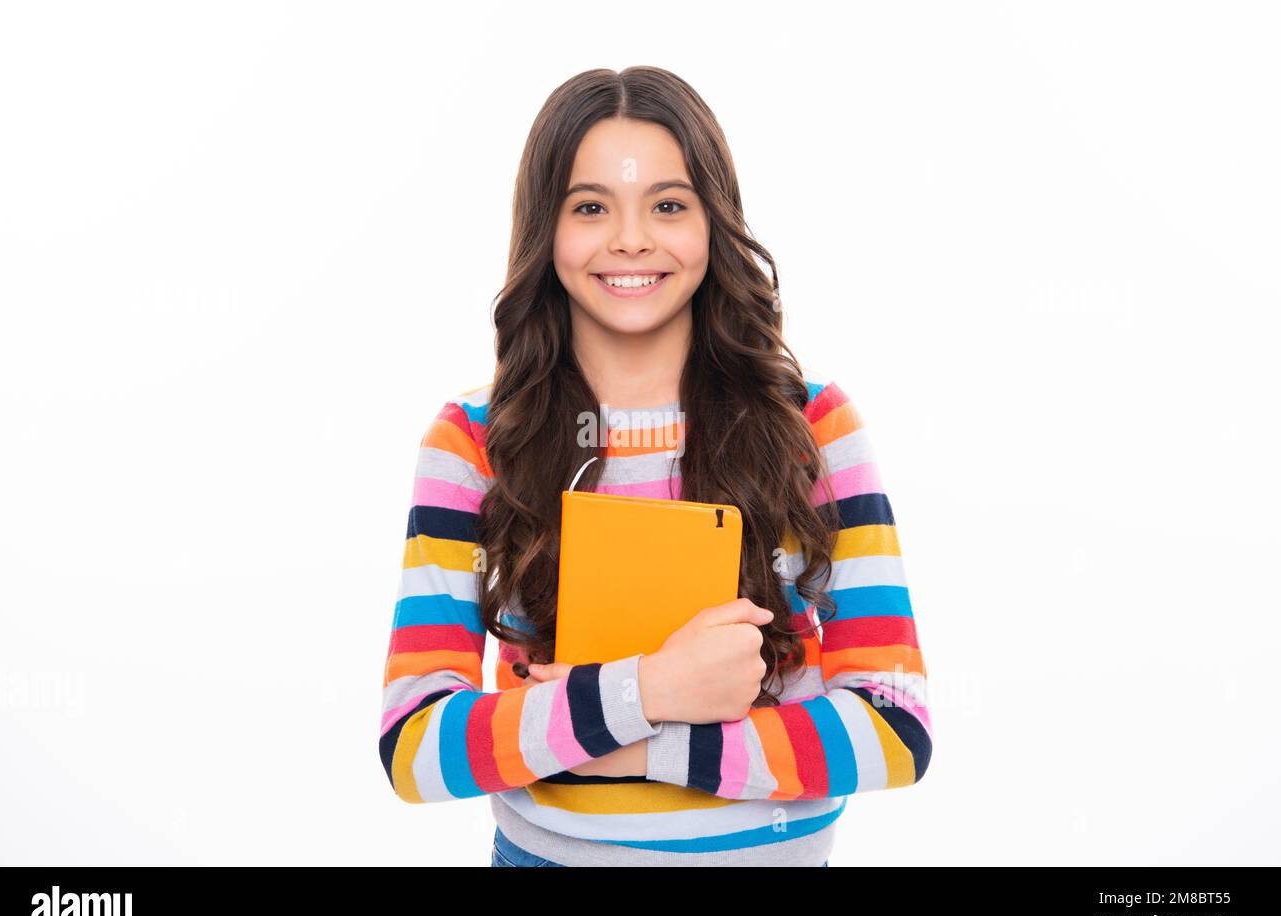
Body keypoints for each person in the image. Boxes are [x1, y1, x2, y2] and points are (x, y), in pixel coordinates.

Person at [378, 66, 933, 866]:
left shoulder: (812, 424)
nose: (631, 239)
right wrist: (654, 690)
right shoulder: (474, 439)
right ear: (547, 229)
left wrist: (636, 745)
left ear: (715, 222)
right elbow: (415, 746)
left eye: (668, 205)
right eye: (591, 206)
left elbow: (897, 724)